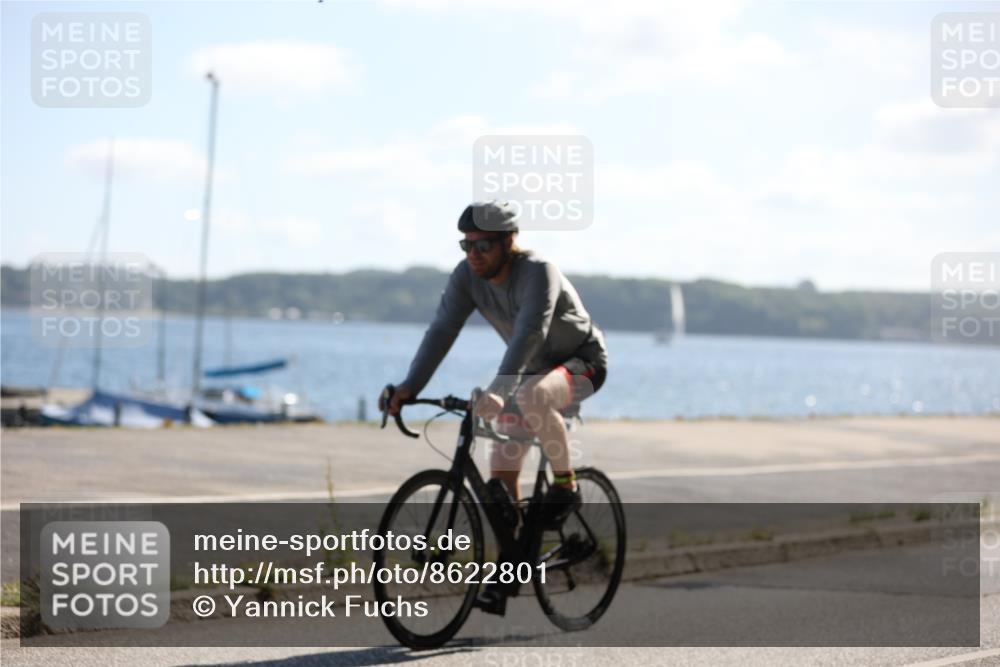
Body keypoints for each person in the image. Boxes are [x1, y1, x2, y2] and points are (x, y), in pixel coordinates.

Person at [381, 201, 608, 527]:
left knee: (533, 395)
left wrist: (500, 391)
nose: (474, 254)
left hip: (583, 361)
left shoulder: (538, 272)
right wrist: (408, 387)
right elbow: (442, 331)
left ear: (509, 241)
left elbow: (529, 334)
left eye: (483, 245)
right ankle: (512, 560)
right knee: (500, 479)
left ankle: (565, 487)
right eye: (467, 245)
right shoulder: (466, 277)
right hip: (528, 371)